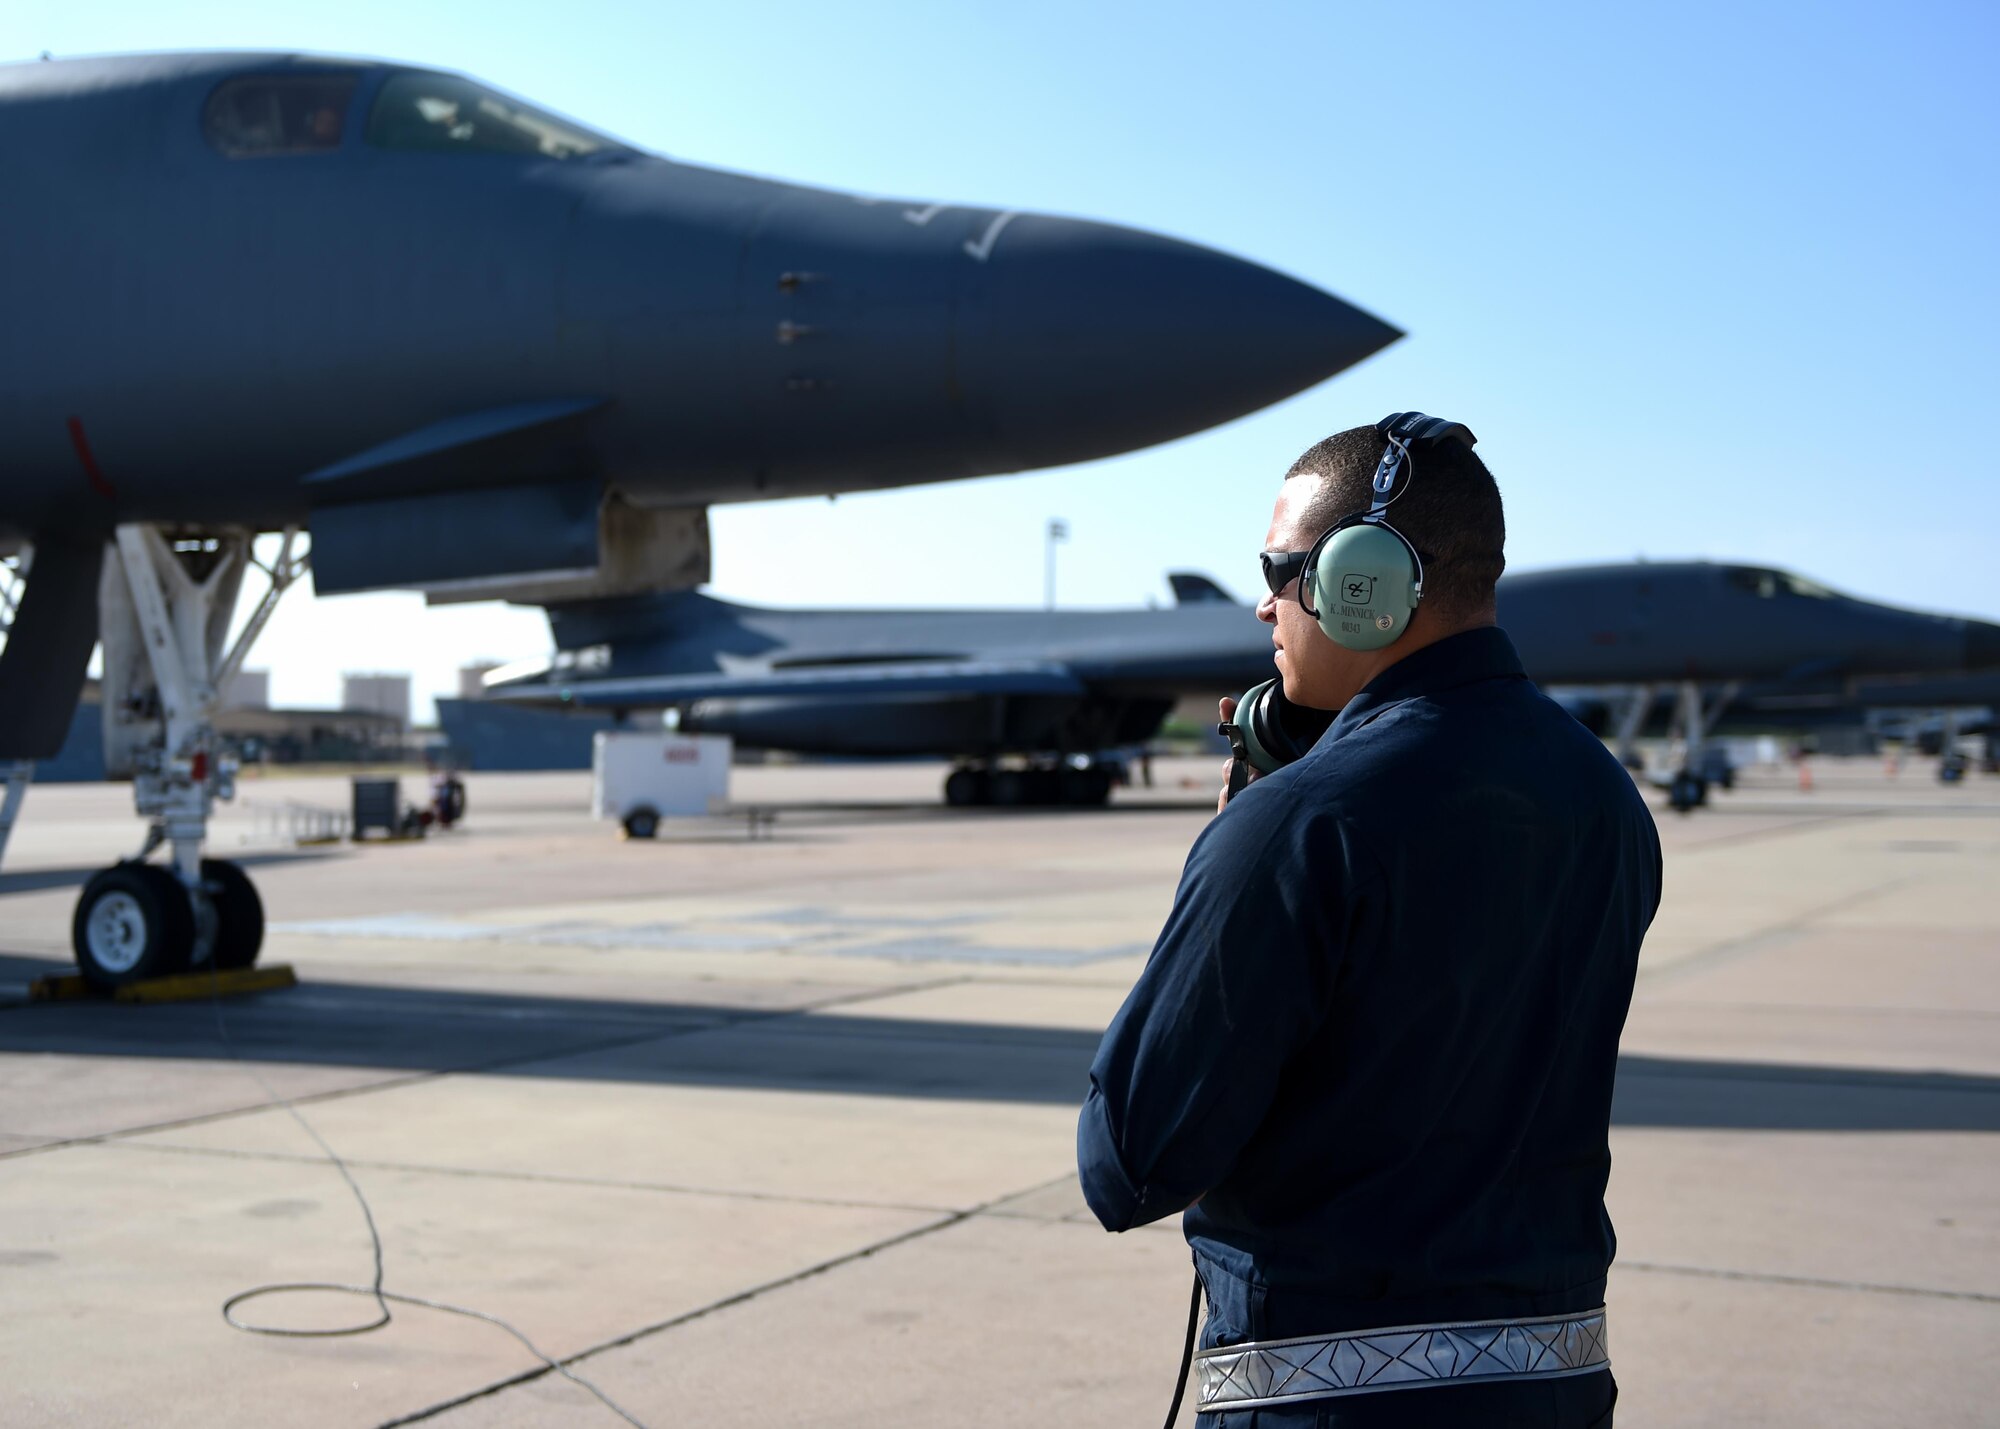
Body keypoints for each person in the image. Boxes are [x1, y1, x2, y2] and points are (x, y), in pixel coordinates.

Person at [1077, 415, 1660, 1427]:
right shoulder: (1603, 798)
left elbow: (1128, 1164)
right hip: (1559, 1386)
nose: (1263, 603)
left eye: (1278, 567)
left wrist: (1222, 868)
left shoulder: (1299, 821)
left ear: (1363, 582)